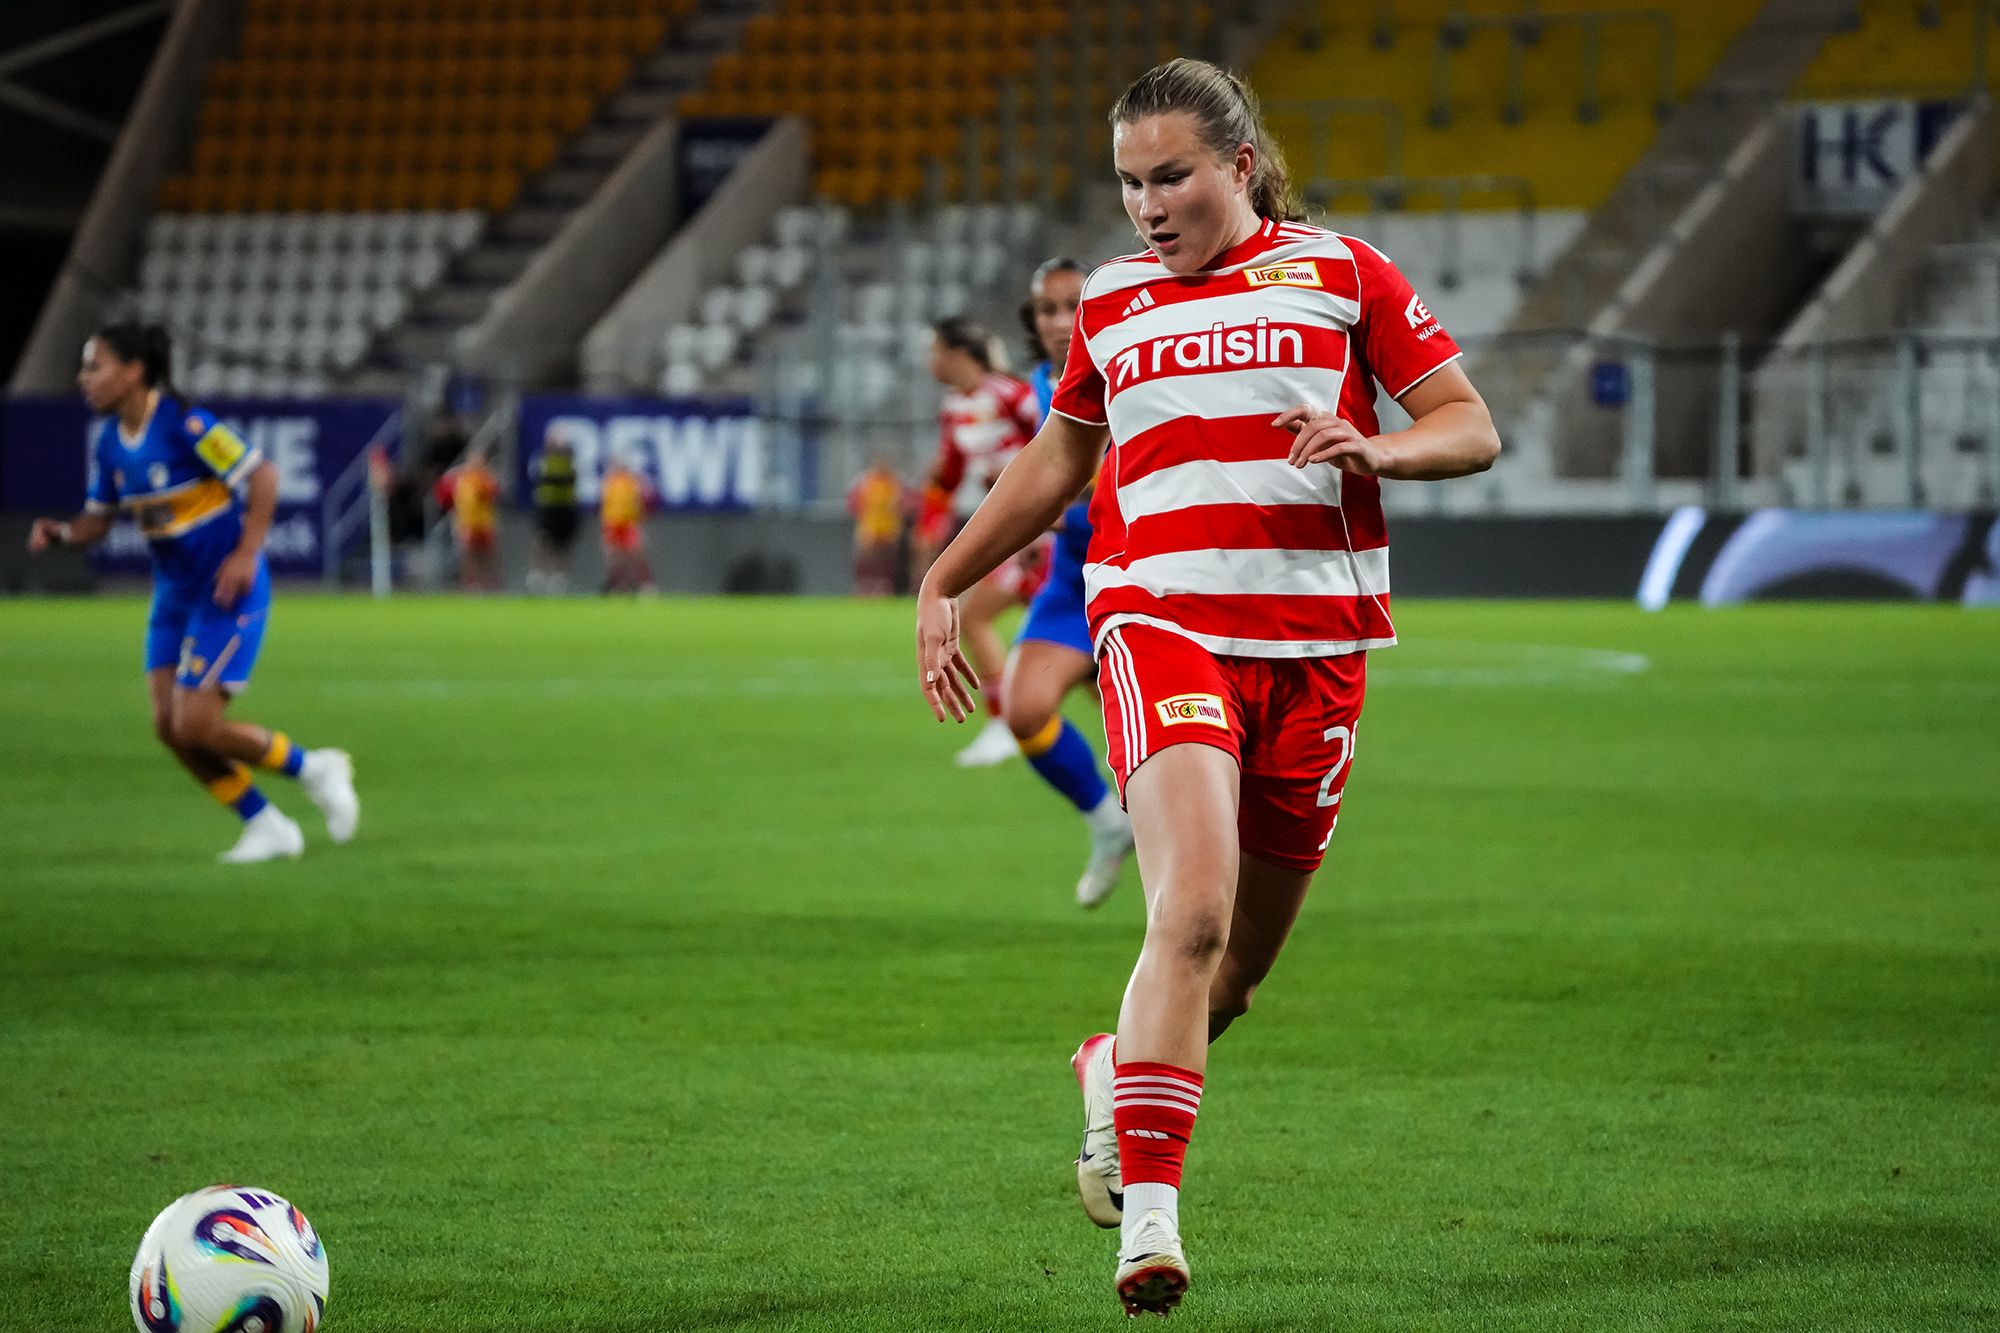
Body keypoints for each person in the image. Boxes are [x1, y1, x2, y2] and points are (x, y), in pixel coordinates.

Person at [912, 59, 1501, 1317]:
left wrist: (1378, 444)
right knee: (1187, 915)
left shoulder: (1341, 273)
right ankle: (1149, 1228)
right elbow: (1059, 455)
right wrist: (946, 578)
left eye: (1170, 175)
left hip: (1317, 650)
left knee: (1232, 974)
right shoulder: (1115, 303)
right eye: (1129, 182)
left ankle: (1108, 1074)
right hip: (1161, 625)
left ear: (1239, 165)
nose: (1146, 205)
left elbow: (1468, 424)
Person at [25, 322, 361, 863]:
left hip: (227, 593)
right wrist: (63, 533)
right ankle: (266, 824)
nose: (83, 378)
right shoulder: (111, 443)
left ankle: (315, 767)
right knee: (169, 727)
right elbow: (98, 519)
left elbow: (264, 475)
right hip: (174, 598)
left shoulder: (187, 424)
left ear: (134, 371)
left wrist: (246, 553)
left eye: (95, 366)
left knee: (195, 723)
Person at [1006, 256, 1135, 908]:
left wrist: (1061, 502)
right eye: (1047, 309)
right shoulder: (1035, 385)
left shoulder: (1133, 368)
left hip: (1139, 572)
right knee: (1023, 706)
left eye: (1072, 305)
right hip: (1071, 581)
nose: (1060, 321)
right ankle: (1109, 823)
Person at [921, 314, 1046, 767]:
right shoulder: (954, 406)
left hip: (1036, 529)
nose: (928, 360)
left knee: (973, 619)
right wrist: (932, 517)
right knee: (1079, 655)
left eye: (934, 350)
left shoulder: (1011, 393)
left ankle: (1003, 723)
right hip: (1005, 531)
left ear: (957, 354)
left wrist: (1017, 474)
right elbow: (951, 470)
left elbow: (1053, 440)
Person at [437, 447, 501, 592]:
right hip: (467, 523)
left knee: (488, 556)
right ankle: (471, 585)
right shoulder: (460, 477)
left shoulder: (486, 478)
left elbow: (492, 494)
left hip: (484, 522)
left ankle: (491, 585)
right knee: (468, 556)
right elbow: (445, 493)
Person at [527, 427, 580, 595]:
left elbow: (571, 478)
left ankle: (559, 577)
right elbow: (538, 477)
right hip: (548, 505)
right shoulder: (542, 458)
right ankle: (538, 573)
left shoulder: (570, 460)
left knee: (563, 544)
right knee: (543, 539)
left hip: (565, 506)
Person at [846, 454, 905, 596]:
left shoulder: (894, 483)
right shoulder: (866, 482)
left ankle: (884, 585)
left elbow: (900, 505)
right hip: (870, 526)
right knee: (867, 556)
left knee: (885, 557)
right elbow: (854, 504)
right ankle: (865, 585)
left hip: (887, 526)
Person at [599, 449, 657, 594]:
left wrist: (640, 521)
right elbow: (605, 506)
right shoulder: (608, 481)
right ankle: (618, 587)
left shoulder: (634, 480)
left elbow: (645, 500)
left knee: (636, 555)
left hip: (629, 523)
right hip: (613, 523)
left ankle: (646, 585)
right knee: (615, 557)